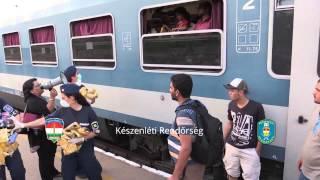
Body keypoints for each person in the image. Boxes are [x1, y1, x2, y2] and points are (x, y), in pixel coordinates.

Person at [15, 83, 102, 180]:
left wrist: (82, 138)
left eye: (64, 97)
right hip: (68, 152)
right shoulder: (62, 111)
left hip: (86, 152)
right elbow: (44, 120)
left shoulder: (88, 111)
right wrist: (24, 125)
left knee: (94, 175)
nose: (62, 99)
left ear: (72, 98)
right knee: (67, 176)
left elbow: (96, 131)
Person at [223, 78, 264, 180]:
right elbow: (229, 123)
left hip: (250, 149)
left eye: (232, 90)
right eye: (229, 90)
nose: (229, 93)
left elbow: (263, 129)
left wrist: (258, 150)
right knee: (231, 174)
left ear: (241, 92)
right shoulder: (231, 104)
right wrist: (222, 141)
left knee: (251, 177)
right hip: (232, 147)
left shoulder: (257, 107)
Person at [168, 74, 205, 180]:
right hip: (196, 160)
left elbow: (186, 148)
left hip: (190, 165)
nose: (169, 90)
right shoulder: (197, 105)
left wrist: (176, 175)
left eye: (171, 88)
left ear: (177, 92)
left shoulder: (184, 114)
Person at [22, 78, 61, 180]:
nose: (41, 85)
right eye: (37, 85)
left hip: (48, 132)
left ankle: (52, 172)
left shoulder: (37, 98)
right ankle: (47, 177)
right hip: (41, 136)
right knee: (45, 158)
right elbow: (48, 110)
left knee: (50, 154)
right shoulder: (32, 101)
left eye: (40, 84)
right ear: (31, 90)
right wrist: (52, 97)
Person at [297, 79, 320, 180]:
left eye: (318, 90)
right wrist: (303, 157)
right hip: (305, 169)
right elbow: (311, 135)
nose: (313, 92)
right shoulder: (317, 108)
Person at [0, 98, 25, 180]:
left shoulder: (1, 101)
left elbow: (16, 115)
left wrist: (15, 133)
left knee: (19, 173)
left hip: (8, 143)